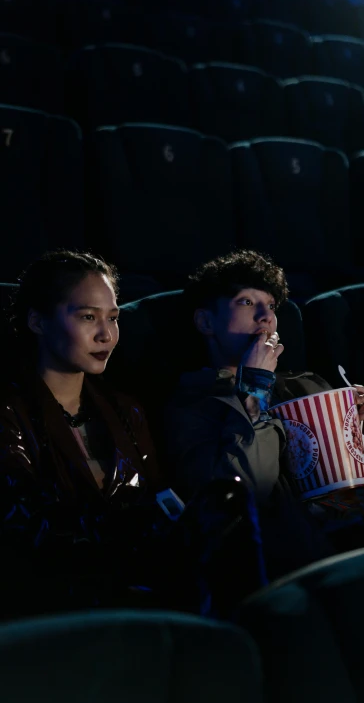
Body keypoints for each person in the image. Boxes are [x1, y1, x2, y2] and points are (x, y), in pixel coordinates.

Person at [0, 251, 264, 618]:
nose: (106, 334)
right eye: (88, 317)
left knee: (227, 502)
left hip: (142, 574)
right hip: (66, 590)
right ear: (38, 321)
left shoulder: (126, 410)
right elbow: (27, 527)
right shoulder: (9, 411)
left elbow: (160, 498)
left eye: (113, 317)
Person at [166, 250, 364, 577]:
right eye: (246, 302)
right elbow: (247, 492)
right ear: (206, 321)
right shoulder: (191, 405)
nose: (265, 317)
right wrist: (254, 388)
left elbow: (360, 481)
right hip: (286, 567)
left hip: (363, 540)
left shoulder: (308, 384)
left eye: (271, 306)